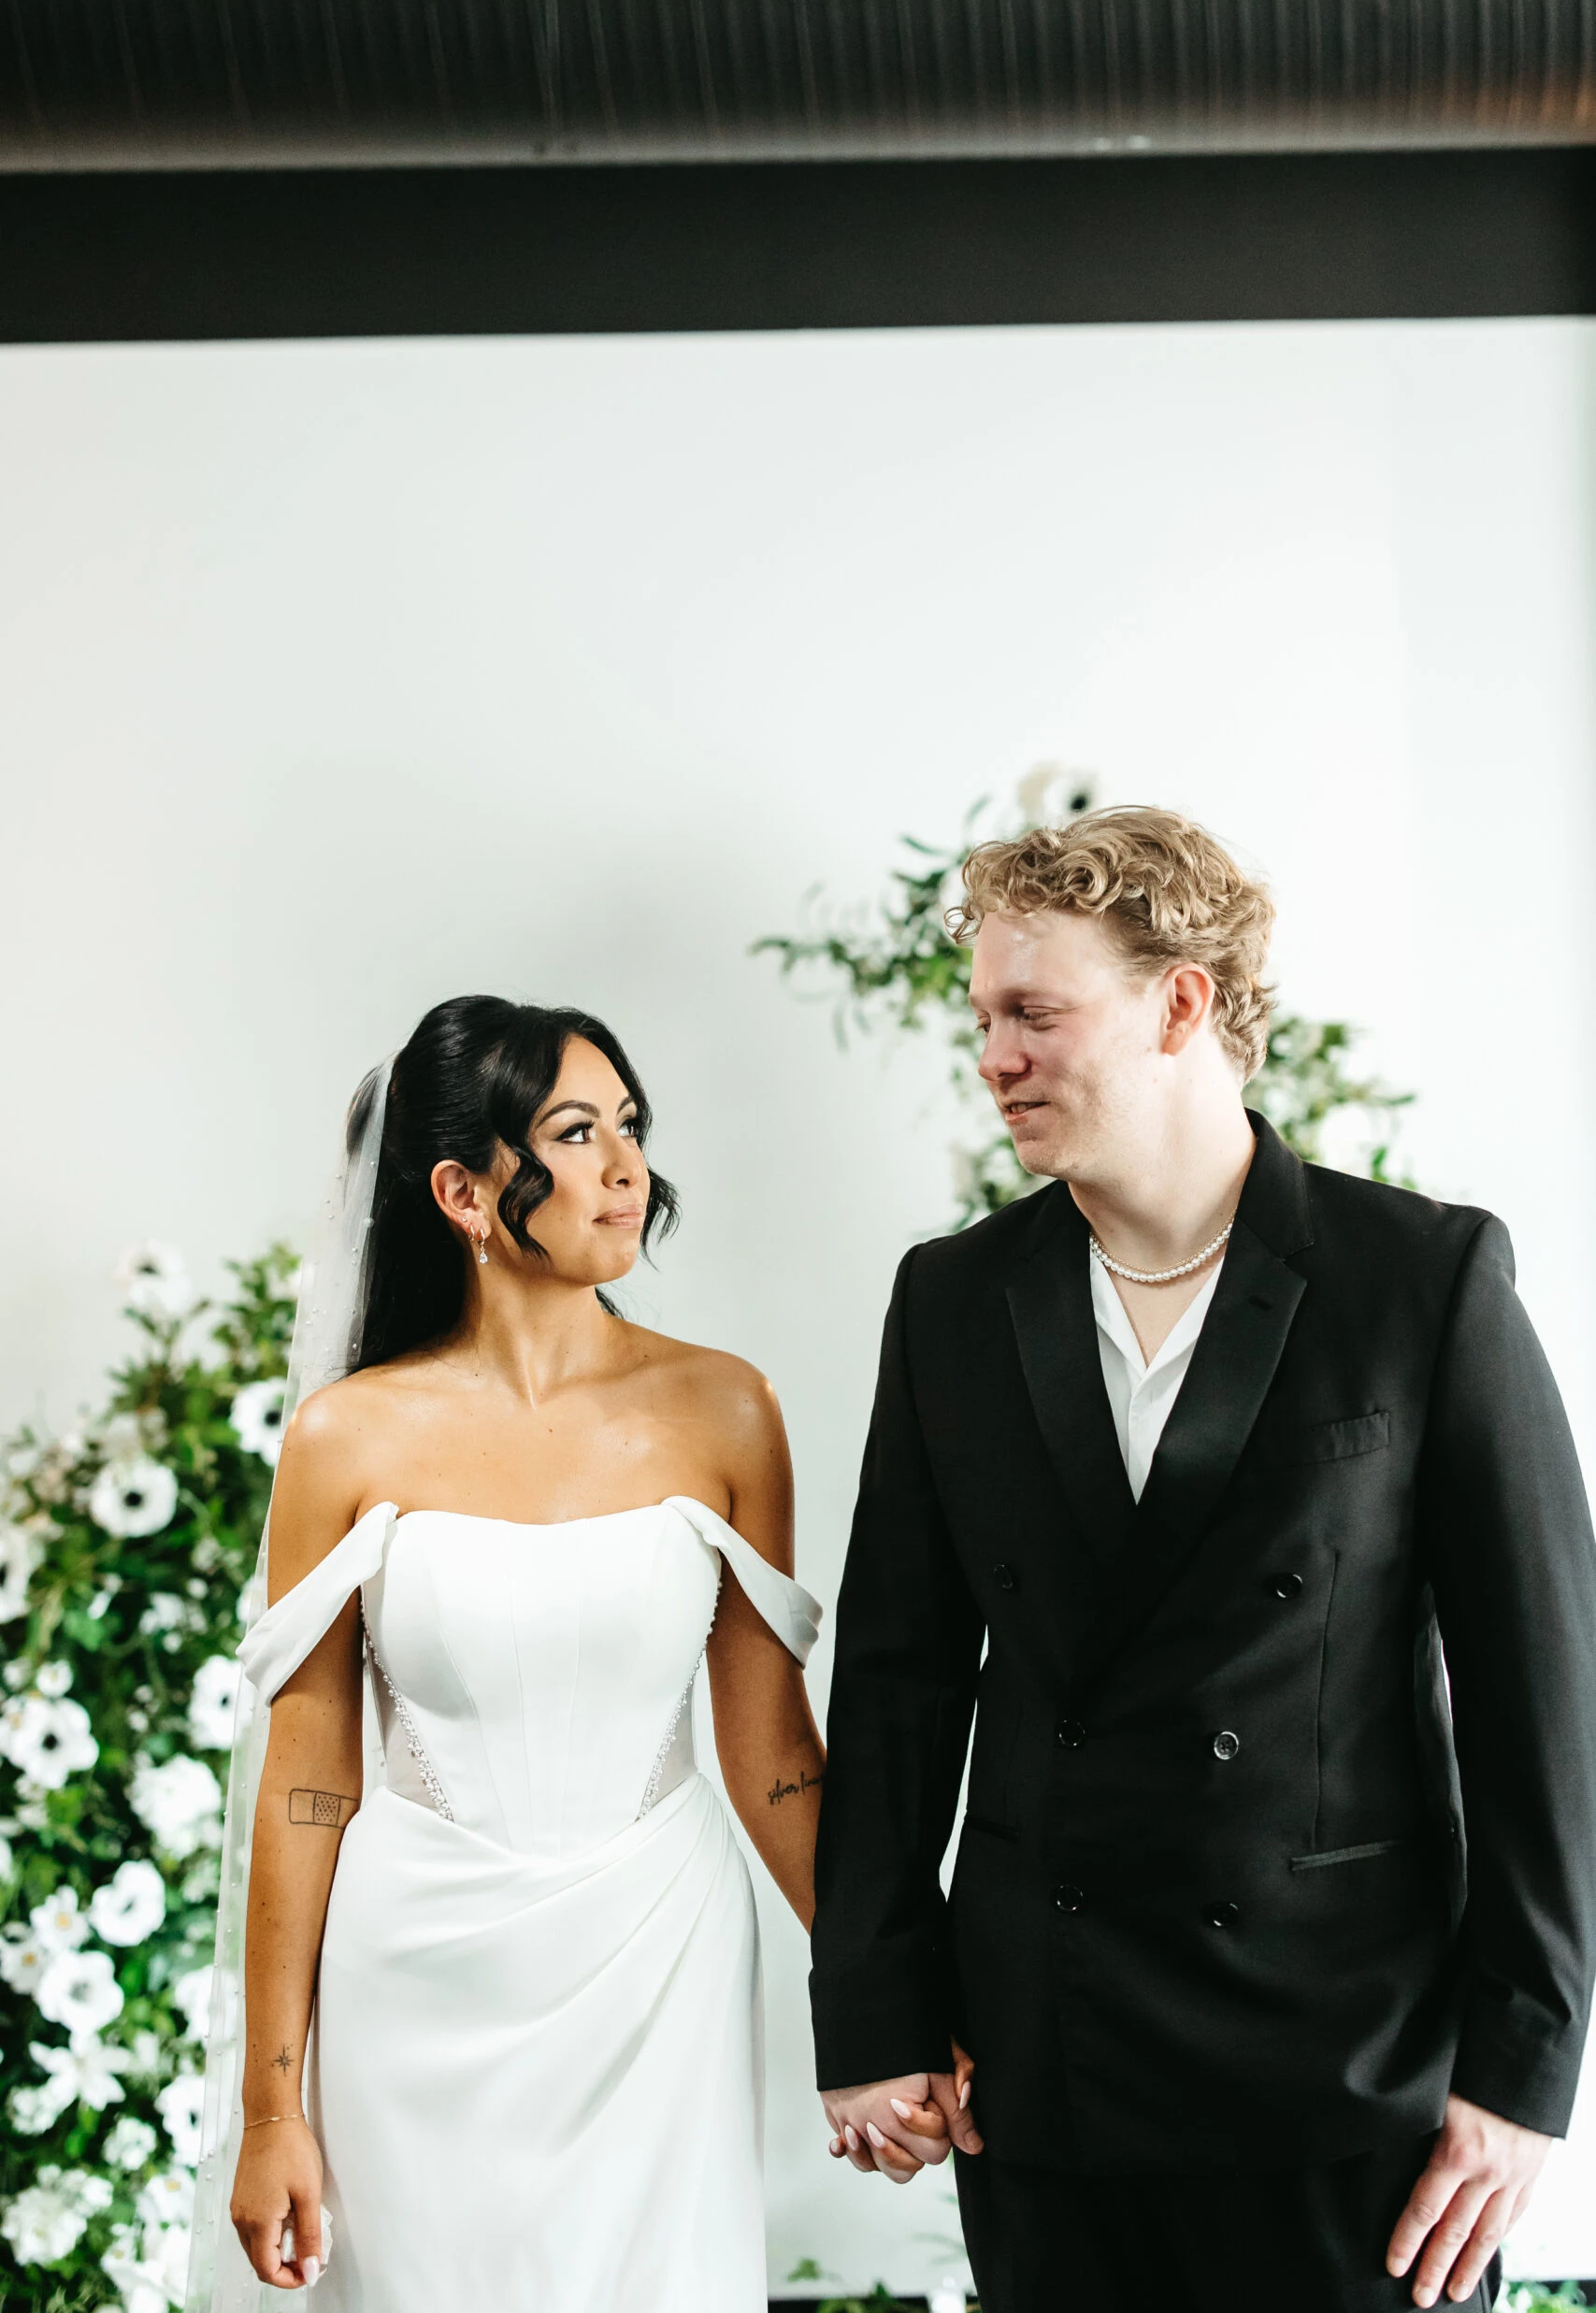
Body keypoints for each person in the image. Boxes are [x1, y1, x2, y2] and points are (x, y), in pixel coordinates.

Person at [808, 808, 1596, 2312]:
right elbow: (901, 1680)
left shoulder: (1418, 1281)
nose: (992, 1057)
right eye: (982, 1019)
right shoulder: (955, 1301)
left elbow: (1539, 1705)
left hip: (1347, 2081)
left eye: (1033, 1012)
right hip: (1046, 2064)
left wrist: (1521, 2070)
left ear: (1181, 1002)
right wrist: (872, 2010)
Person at [199, 995, 840, 2312]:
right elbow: (307, 1781)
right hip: (412, 1982)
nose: (625, 1168)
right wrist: (272, 2114)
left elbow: (774, 1755)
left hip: (660, 1966)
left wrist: (891, 1993)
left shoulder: (727, 1408)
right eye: (574, 1131)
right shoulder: (345, 1438)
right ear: (464, 1190)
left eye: (630, 1128)